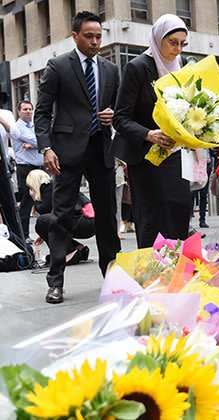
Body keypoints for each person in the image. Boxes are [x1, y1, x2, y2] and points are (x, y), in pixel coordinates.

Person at [35, 11, 120, 304]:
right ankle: (55, 282)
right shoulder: (58, 66)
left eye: (99, 36)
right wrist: (46, 148)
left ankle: (112, 278)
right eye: (89, 36)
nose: (96, 42)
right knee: (60, 218)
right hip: (66, 152)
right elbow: (42, 112)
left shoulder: (110, 70)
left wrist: (112, 117)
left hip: (101, 150)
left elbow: (119, 112)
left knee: (108, 217)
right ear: (75, 36)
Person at [113, 14, 192, 248]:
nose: (177, 49)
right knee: (152, 216)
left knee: (179, 210)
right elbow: (121, 118)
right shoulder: (137, 68)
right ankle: (152, 274)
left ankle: (178, 270)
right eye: (173, 42)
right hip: (146, 158)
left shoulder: (184, 66)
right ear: (158, 39)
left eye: (182, 43)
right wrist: (149, 134)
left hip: (177, 156)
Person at [27, 169, 93, 266]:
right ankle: (77, 248)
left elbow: (44, 211)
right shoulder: (54, 186)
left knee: (41, 222)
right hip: (87, 220)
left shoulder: (48, 189)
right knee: (48, 222)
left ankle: (67, 252)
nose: (30, 190)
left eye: (30, 188)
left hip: (82, 221)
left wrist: (34, 199)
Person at [0, 101, 42, 241]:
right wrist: (37, 142)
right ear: (19, 111)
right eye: (25, 109)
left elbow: (45, 139)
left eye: (30, 109)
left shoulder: (34, 125)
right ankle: (23, 235)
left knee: (45, 201)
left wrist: (35, 143)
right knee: (26, 202)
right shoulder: (17, 127)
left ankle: (42, 233)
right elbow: (39, 140)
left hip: (39, 168)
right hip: (25, 168)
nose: (28, 111)